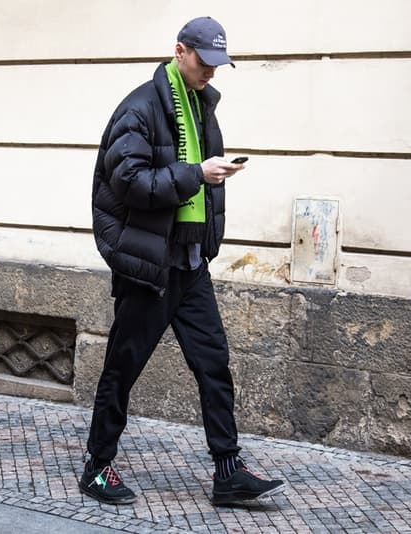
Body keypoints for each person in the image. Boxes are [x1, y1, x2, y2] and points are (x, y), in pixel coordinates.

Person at [82, 16, 286, 506]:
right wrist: (197, 173)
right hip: (150, 267)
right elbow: (129, 182)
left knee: (214, 364)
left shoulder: (200, 105)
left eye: (219, 63)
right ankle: (97, 467)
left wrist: (209, 179)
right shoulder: (139, 107)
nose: (211, 71)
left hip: (191, 265)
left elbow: (192, 179)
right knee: (123, 368)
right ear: (179, 51)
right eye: (204, 60)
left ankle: (228, 471)